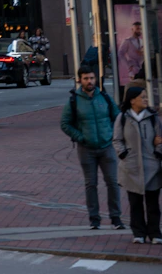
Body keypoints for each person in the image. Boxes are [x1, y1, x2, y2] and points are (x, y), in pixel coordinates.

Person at [65, 66, 127, 230]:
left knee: (113, 183)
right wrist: (80, 137)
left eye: (91, 78)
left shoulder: (105, 97)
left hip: (106, 147)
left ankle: (116, 218)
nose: (89, 81)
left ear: (95, 79)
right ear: (80, 80)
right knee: (90, 184)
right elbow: (65, 124)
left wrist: (112, 133)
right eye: (86, 78)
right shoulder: (74, 100)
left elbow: (117, 117)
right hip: (86, 149)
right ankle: (94, 219)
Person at [117, 81, 162, 244]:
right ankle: (139, 233)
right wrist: (124, 155)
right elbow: (117, 139)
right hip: (132, 167)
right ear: (132, 100)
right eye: (142, 97)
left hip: (152, 166)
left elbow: (160, 138)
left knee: (153, 204)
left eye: (146, 97)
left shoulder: (153, 118)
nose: (145, 99)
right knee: (135, 203)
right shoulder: (123, 118)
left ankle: (155, 233)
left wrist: (158, 151)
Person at [123, 20, 149, 90]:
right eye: (137, 29)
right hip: (134, 69)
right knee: (133, 88)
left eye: (140, 29)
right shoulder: (127, 41)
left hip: (143, 70)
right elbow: (120, 53)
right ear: (132, 29)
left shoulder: (142, 41)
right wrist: (128, 65)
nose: (139, 31)